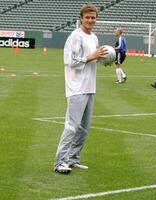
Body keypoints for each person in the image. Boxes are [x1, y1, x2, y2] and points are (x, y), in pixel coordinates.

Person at [54, 3, 108, 174]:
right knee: (72, 127)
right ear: (81, 18)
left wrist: (106, 58)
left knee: (84, 128)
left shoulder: (94, 37)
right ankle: (59, 162)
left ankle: (72, 159)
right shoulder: (75, 37)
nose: (90, 20)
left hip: (90, 87)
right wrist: (92, 56)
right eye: (87, 17)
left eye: (93, 18)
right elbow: (73, 61)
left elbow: (92, 59)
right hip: (76, 88)